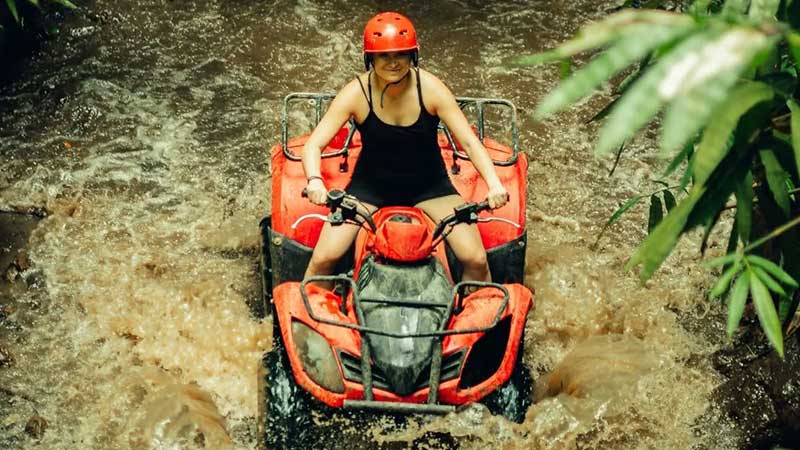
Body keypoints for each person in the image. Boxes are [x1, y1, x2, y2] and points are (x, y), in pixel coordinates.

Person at [302, 11, 508, 284]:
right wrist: (315, 180)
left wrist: (494, 183)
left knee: (476, 260)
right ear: (370, 58)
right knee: (323, 258)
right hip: (369, 187)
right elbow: (314, 145)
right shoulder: (356, 93)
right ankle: (307, 321)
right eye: (384, 56)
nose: (393, 63)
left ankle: (479, 319)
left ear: (412, 55)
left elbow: (469, 142)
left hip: (430, 186)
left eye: (401, 54)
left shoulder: (431, 89)